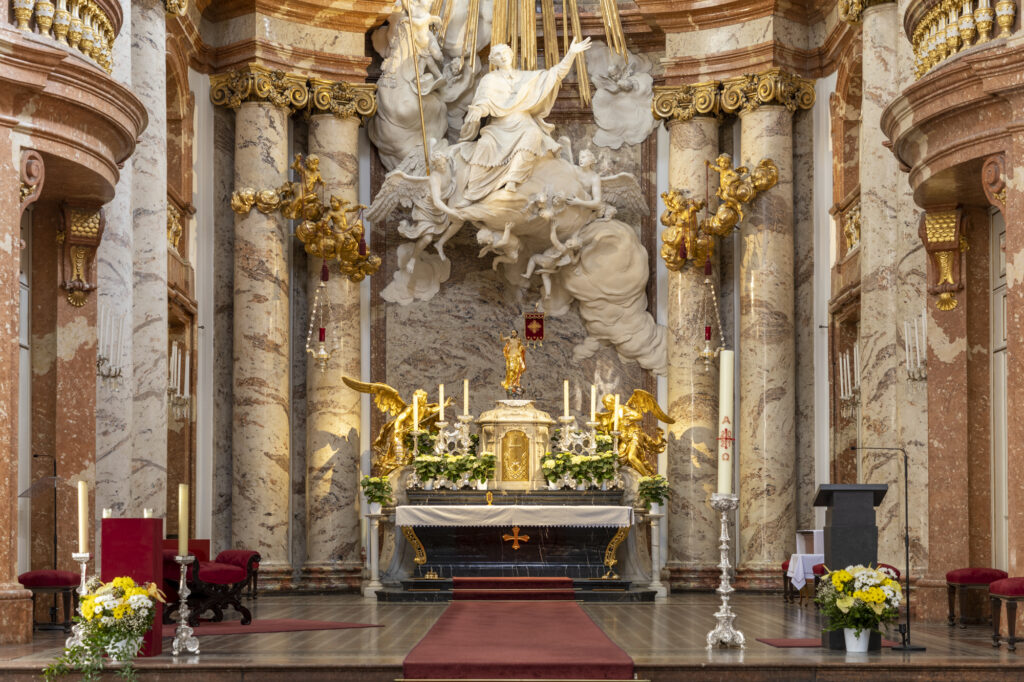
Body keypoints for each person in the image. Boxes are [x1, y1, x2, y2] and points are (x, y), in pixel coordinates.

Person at [456, 37, 592, 204]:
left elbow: (554, 74)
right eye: (497, 54)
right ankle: (473, 193)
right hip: (498, 127)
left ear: (511, 54)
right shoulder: (490, 80)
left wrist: (571, 54)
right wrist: (478, 110)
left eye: (505, 52)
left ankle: (513, 180)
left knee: (533, 134)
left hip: (523, 124)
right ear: (493, 60)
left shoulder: (527, 77)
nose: (503, 56)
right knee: (485, 145)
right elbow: (484, 102)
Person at [500, 330, 526, 396]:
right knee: (511, 369)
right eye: (512, 332)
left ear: (517, 333)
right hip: (511, 357)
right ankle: (510, 384)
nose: (513, 333)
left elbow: (520, 347)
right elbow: (502, 339)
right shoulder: (509, 338)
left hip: (517, 357)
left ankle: (515, 383)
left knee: (516, 371)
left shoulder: (519, 340)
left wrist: (523, 348)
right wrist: (501, 334)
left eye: (514, 332)